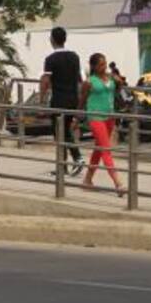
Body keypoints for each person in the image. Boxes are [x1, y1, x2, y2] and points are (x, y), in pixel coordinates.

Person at [77, 52, 127, 196]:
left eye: (104, 64)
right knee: (106, 149)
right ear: (93, 66)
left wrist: (119, 81)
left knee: (98, 149)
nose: (104, 67)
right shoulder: (89, 82)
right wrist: (76, 118)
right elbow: (82, 101)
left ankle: (87, 180)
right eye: (100, 65)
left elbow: (119, 90)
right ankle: (118, 183)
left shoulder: (110, 77)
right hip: (95, 116)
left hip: (109, 116)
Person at [39, 26, 84, 176]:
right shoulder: (74, 57)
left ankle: (77, 158)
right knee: (64, 131)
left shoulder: (50, 59)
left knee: (60, 133)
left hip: (58, 101)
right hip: (72, 99)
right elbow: (79, 80)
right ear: (65, 39)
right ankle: (62, 166)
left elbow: (45, 81)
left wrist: (41, 100)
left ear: (52, 39)